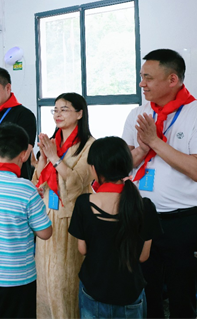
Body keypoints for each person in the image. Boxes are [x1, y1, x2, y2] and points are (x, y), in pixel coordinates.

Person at [122, 49, 197, 319]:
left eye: (148, 78)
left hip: (183, 222)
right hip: (142, 218)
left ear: (172, 79)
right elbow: (124, 165)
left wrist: (155, 141)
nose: (142, 84)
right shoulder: (138, 114)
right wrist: (142, 148)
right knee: (145, 295)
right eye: (141, 76)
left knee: (181, 296)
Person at [69, 136, 163, 318]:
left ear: (94, 169)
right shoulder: (145, 206)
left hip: (94, 289)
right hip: (130, 292)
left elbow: (83, 249)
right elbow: (143, 256)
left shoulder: (83, 203)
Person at [0, 123, 53, 319]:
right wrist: (36, 204)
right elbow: (45, 233)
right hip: (16, 279)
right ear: (23, 155)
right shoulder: (26, 189)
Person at [32, 92, 95, 319]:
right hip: (46, 216)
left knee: (64, 280)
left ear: (79, 114)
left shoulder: (89, 145)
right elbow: (38, 180)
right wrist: (43, 159)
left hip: (71, 218)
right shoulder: (52, 143)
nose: (57, 114)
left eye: (64, 109)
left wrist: (55, 158)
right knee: (44, 279)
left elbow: (77, 183)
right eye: (55, 109)